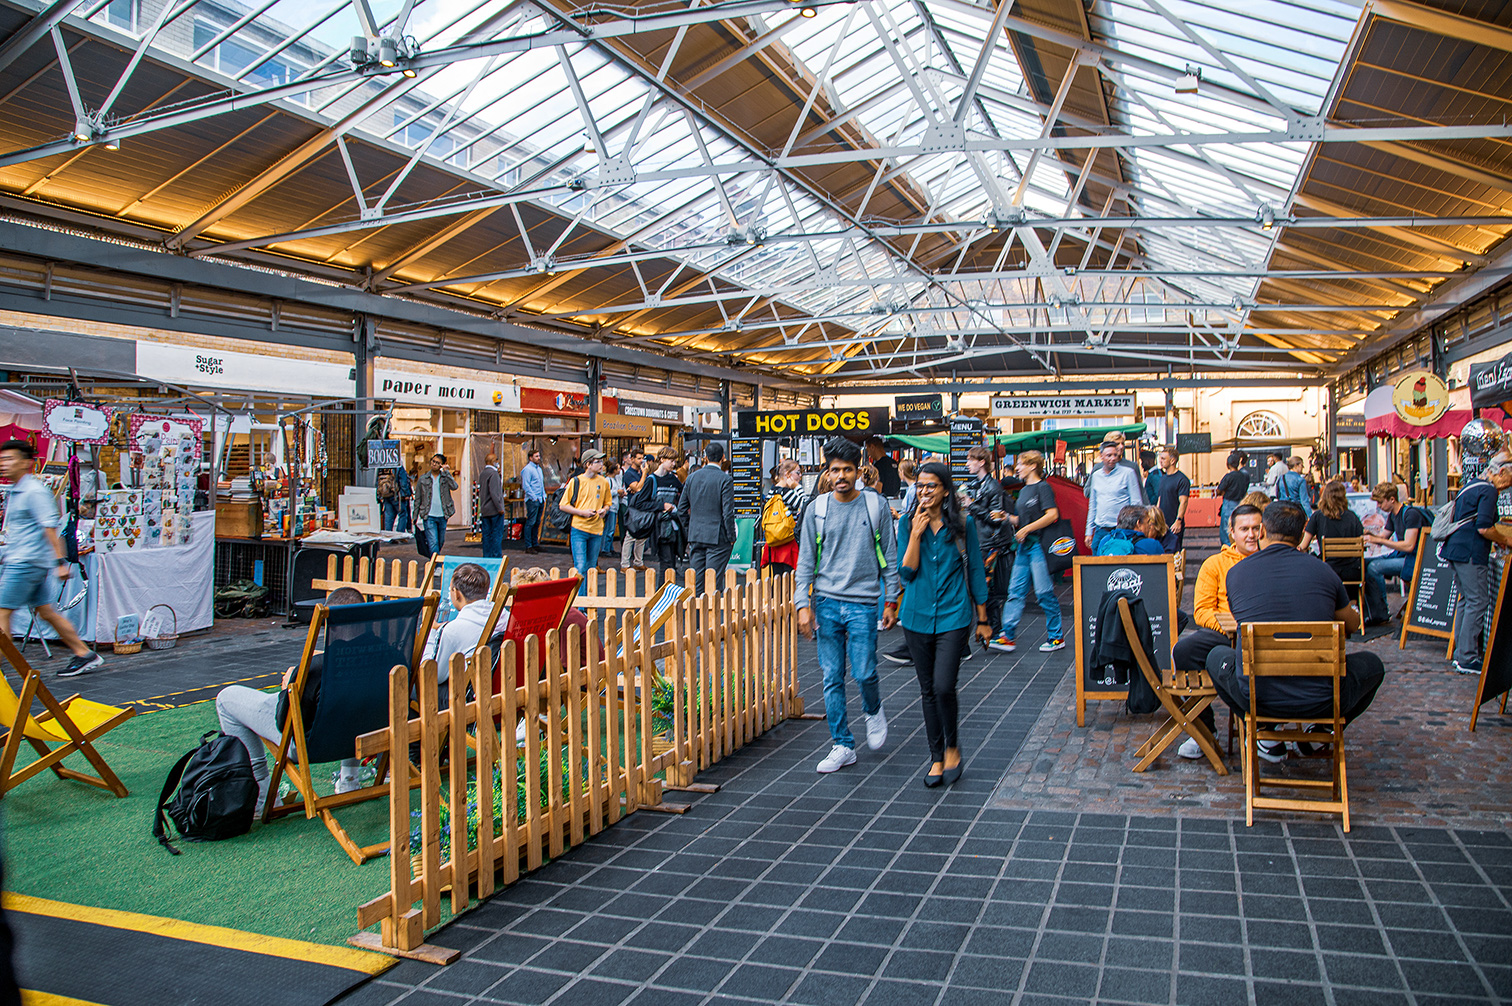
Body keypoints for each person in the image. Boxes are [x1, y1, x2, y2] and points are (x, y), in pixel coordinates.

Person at [1205, 502, 1385, 762]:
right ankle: (1321, 730)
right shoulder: (1324, 571)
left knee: (1216, 657)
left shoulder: (1236, 574)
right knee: (1372, 665)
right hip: (1321, 697)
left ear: (1263, 530)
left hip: (1258, 696)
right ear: (1302, 534)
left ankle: (1263, 730)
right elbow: (1352, 626)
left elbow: (1242, 614)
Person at [795, 437, 899, 774]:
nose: (841, 475)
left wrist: (892, 597)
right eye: (835, 469)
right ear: (827, 472)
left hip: (864, 602)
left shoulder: (875, 506)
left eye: (847, 469)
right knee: (831, 676)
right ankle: (842, 744)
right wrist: (802, 605)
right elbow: (806, 561)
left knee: (865, 671)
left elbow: (891, 557)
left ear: (859, 471)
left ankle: (873, 710)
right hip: (825, 601)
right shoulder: (817, 509)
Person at [215, 586, 368, 809]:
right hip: (361, 738)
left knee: (226, 698)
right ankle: (349, 781)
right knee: (352, 705)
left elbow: (284, 721)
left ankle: (264, 796)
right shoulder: (388, 658)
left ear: (327, 623)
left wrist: (290, 688)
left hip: (310, 744)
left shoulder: (315, 669)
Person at [897, 462, 989, 787]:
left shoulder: (964, 525)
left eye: (931, 486)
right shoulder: (908, 524)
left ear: (945, 490)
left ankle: (952, 748)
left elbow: (976, 569)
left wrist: (984, 618)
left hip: (954, 616)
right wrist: (916, 534)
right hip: (916, 617)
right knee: (927, 691)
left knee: (943, 686)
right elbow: (905, 573)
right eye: (920, 486)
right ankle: (935, 757)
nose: (924, 492)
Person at [0, 440, 101, 677]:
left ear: (27, 463)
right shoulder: (16, 490)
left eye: (10, 459)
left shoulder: (33, 491)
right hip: (27, 563)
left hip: (25, 564)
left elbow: (49, 527)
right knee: (47, 612)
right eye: (2, 459)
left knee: (2, 612)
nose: (4, 464)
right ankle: (84, 653)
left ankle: (4, 665)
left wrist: (59, 563)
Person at [1171, 504, 1264, 757]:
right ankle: (1205, 728)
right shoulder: (1215, 564)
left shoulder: (1270, 561)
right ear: (1231, 532)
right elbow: (1201, 611)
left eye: (1256, 528)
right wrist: (1230, 625)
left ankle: (1266, 729)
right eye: (1244, 529)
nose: (1251, 535)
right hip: (1225, 632)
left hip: (1263, 634)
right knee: (1185, 650)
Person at [1442, 457, 1512, 675]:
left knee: (1466, 600)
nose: (1508, 485)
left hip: (1455, 549)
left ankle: (1461, 654)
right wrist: (1506, 540)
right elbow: (1483, 527)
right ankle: (1468, 657)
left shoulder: (1471, 484)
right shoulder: (1489, 491)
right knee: (1477, 601)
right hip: (1470, 551)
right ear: (1500, 472)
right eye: (1509, 479)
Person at [992, 450, 1064, 653]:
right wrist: (1007, 517)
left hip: (1038, 545)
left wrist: (1026, 528)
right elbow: (1021, 520)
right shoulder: (1024, 490)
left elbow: (1052, 515)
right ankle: (1008, 635)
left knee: (1043, 592)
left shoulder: (1043, 488)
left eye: (1021, 464)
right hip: (1025, 547)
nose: (1017, 468)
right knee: (1015, 591)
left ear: (1033, 466)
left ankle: (1056, 636)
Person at [961, 445, 1012, 639]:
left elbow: (996, 517)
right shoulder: (980, 485)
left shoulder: (992, 486)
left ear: (981, 462)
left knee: (985, 587)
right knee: (983, 586)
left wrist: (971, 505)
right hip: (982, 541)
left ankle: (995, 629)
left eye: (970, 460)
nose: (967, 464)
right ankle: (992, 628)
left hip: (990, 543)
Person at [1362, 482, 1426, 625]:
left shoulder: (1410, 514)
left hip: (1414, 559)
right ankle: (1372, 611)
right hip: (1403, 556)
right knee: (1364, 564)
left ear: (1392, 499)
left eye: (1380, 502)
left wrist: (1377, 540)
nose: (1378, 506)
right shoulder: (1393, 516)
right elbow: (1383, 538)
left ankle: (1382, 612)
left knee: (1374, 567)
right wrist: (1369, 534)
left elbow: (1409, 546)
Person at [423, 563, 494, 684]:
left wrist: (431, 632)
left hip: (463, 693)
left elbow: (435, 676)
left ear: (457, 593)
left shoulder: (453, 630)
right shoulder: (501, 615)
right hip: (493, 683)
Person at [679, 442, 736, 589]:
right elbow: (727, 512)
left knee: (697, 584)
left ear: (705, 457)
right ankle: (711, 612)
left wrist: (689, 528)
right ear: (723, 457)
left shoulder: (691, 478)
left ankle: (697, 612)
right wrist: (731, 536)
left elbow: (681, 509)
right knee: (713, 582)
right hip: (717, 536)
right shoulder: (725, 479)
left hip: (696, 534)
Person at [1299, 481, 1364, 608]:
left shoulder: (1318, 516)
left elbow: (1303, 545)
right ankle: (1353, 607)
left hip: (1328, 570)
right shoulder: (1353, 517)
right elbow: (1361, 541)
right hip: (1352, 572)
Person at [558, 448, 613, 587]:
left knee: (591, 567)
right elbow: (563, 505)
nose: (601, 465)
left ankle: (588, 600)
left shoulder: (604, 481)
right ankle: (581, 604)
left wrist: (604, 510)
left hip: (596, 529)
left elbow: (608, 503)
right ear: (588, 464)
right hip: (579, 528)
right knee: (580, 566)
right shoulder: (576, 481)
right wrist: (581, 512)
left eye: (601, 461)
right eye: (598, 462)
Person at [632, 447, 684, 578]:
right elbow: (640, 503)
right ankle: (663, 592)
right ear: (662, 459)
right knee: (666, 563)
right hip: (660, 527)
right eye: (671, 461)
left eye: (674, 461)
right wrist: (662, 505)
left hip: (674, 525)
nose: (674, 464)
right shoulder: (651, 480)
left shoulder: (673, 479)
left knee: (671, 562)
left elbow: (683, 495)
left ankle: (668, 592)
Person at [1086, 441, 1144, 554]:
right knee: (1096, 565)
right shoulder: (1096, 476)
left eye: (1115, 455)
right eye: (1109, 455)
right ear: (1101, 456)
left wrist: (1137, 527)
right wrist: (1088, 531)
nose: (1112, 458)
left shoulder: (1128, 473)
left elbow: (1137, 503)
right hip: (1101, 529)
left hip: (1121, 529)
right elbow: (1093, 505)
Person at [761, 460, 807, 577]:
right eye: (798, 472)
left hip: (773, 541)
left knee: (777, 578)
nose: (800, 476)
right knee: (789, 578)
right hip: (788, 540)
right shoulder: (787, 492)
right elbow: (806, 504)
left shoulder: (771, 491)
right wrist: (798, 487)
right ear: (788, 474)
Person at [413, 454, 457, 556]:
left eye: (437, 463)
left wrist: (447, 472)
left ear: (442, 465)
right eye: (433, 461)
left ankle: (433, 559)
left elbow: (454, 486)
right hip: (429, 515)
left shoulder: (445, 478)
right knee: (433, 542)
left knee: (440, 541)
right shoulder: (423, 479)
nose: (434, 464)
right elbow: (418, 498)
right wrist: (415, 516)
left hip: (443, 514)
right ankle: (437, 566)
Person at [1154, 446, 1190, 551]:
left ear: (1173, 460)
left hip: (1174, 523)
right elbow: (1159, 500)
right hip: (1162, 523)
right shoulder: (1163, 478)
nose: (1160, 461)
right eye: (1160, 458)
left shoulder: (1182, 479)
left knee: (1175, 552)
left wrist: (1178, 520)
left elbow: (1184, 501)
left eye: (1163, 458)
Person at [1094, 505, 1162, 556]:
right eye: (1147, 522)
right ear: (1138, 523)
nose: (1149, 526)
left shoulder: (1105, 541)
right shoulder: (1152, 544)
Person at [620, 448, 647, 570]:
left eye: (642, 458)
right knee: (630, 535)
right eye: (639, 458)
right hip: (633, 507)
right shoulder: (629, 474)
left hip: (642, 506)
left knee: (641, 536)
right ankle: (624, 564)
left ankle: (638, 562)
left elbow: (643, 487)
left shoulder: (640, 473)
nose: (641, 461)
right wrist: (644, 475)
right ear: (632, 459)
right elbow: (638, 488)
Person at [1216, 452, 1250, 546]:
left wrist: (1222, 492)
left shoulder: (1228, 476)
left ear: (1228, 465)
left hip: (1229, 503)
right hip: (1240, 502)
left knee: (1226, 528)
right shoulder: (1243, 476)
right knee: (1238, 525)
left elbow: (1219, 490)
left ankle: (1228, 547)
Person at [478, 452, 506, 559]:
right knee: (496, 535)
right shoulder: (492, 474)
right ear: (492, 462)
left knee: (487, 535)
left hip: (485, 509)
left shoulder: (483, 473)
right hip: (494, 509)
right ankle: (495, 557)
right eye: (496, 460)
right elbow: (494, 493)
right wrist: (500, 508)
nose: (497, 463)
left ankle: (487, 556)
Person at [520, 449, 546, 554]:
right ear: (531, 458)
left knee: (537, 522)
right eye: (536, 456)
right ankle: (529, 545)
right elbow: (526, 485)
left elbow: (540, 484)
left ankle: (535, 543)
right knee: (530, 522)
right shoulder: (527, 469)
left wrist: (543, 496)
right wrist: (533, 497)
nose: (538, 458)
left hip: (540, 498)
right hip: (533, 499)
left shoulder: (539, 469)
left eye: (539, 456)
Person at [601, 459, 621, 558]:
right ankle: (605, 548)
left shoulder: (614, 480)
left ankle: (609, 547)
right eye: (618, 468)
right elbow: (607, 493)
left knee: (610, 528)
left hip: (614, 506)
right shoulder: (608, 480)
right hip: (611, 507)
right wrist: (617, 491)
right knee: (609, 528)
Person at [395, 462, 413, 535]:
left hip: (388, 494)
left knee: (389, 516)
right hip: (400, 495)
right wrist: (406, 493)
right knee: (403, 514)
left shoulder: (385, 468)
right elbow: (403, 482)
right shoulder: (400, 468)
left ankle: (389, 535)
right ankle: (400, 534)